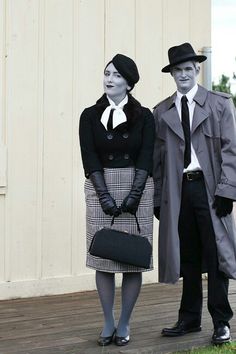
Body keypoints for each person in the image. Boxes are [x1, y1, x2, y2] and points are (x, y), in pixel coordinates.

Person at [153, 42, 236, 345]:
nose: (184, 74)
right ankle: (188, 319)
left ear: (197, 70)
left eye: (189, 69)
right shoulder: (161, 112)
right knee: (186, 255)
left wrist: (227, 191)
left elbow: (231, 151)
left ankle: (221, 321)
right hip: (178, 193)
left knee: (216, 257)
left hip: (210, 190)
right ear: (172, 74)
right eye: (178, 70)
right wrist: (159, 198)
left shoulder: (219, 104)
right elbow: (157, 160)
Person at [79, 54, 155, 347]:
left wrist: (135, 194)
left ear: (129, 83)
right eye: (107, 73)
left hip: (138, 186)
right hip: (101, 186)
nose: (109, 79)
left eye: (116, 75)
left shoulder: (145, 116)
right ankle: (108, 322)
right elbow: (89, 156)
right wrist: (104, 195)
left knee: (134, 258)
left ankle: (124, 323)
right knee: (103, 257)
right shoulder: (88, 115)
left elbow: (147, 156)